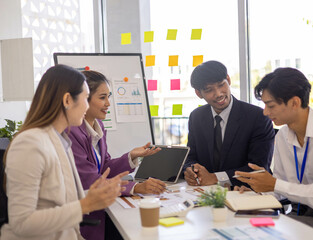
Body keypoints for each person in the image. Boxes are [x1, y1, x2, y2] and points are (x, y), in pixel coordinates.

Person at [0, 64, 129, 240]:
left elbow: (59, 202)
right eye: (85, 98)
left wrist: (91, 195)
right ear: (68, 100)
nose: (86, 106)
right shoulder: (29, 144)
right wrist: (86, 204)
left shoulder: (61, 141)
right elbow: (22, 223)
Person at [235, 67, 313, 240]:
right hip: (301, 215)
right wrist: (257, 192)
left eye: (270, 105)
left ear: (294, 102)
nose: (265, 112)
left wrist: (274, 185)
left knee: (267, 233)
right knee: (246, 226)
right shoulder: (283, 136)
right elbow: (281, 189)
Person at [68, 70, 166, 240]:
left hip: (103, 209)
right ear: (84, 98)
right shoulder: (72, 132)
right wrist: (135, 187)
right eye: (102, 97)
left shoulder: (98, 125)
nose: (108, 103)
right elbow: (89, 180)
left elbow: (104, 167)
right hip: (83, 218)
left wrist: (131, 156)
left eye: (109, 96)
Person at [183, 60, 275, 187]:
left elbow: (258, 168)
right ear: (199, 93)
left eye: (221, 85)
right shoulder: (196, 117)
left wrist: (215, 178)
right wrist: (191, 170)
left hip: (246, 192)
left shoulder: (258, 117)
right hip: (207, 193)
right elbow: (190, 156)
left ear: (228, 80)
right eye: (209, 90)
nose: (218, 94)